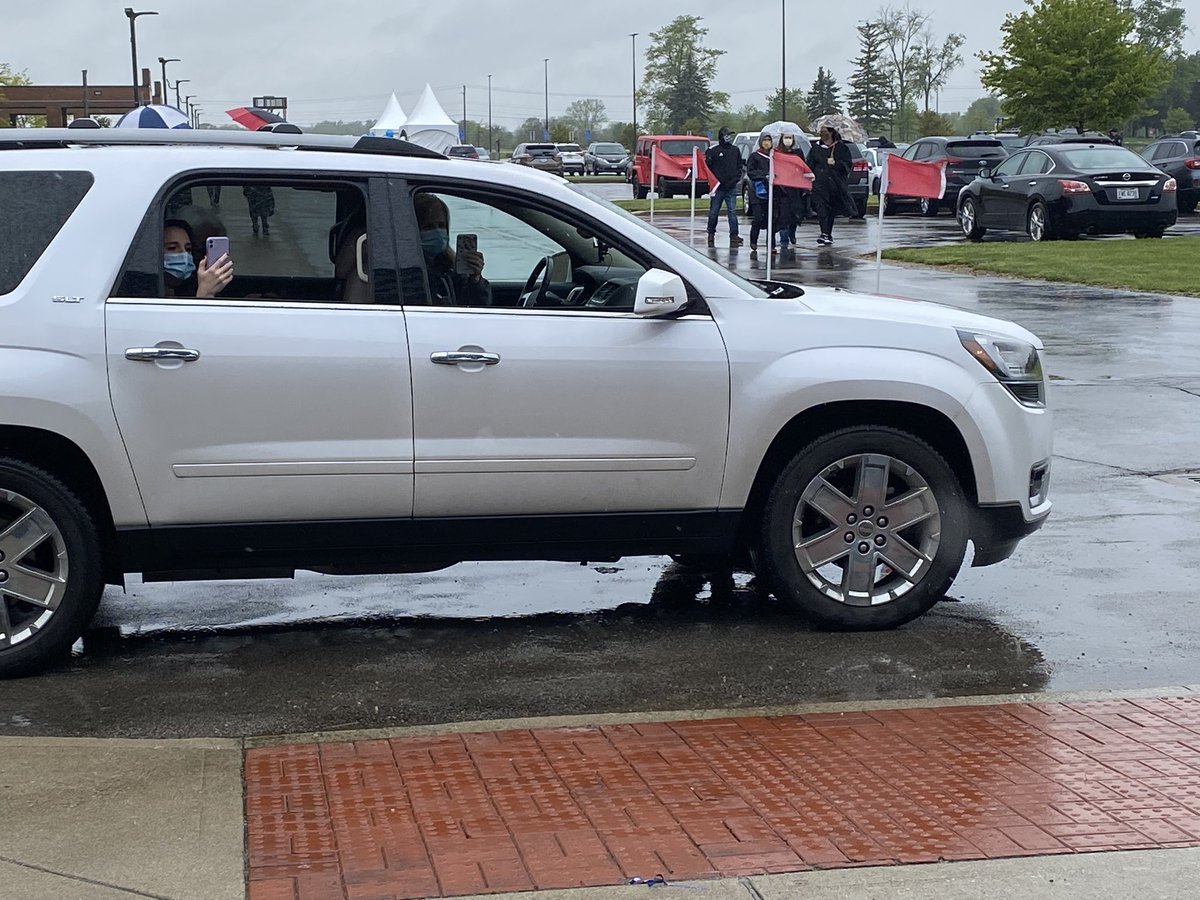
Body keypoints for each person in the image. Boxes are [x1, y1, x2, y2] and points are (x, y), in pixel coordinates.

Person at [414, 193, 491, 306]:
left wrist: (475, 280)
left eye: (441, 226)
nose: (438, 232)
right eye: (428, 227)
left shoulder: (448, 267)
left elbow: (476, 308)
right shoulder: (410, 273)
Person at [807, 125, 856, 247]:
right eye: (821, 132)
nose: (822, 134)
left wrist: (836, 164)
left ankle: (828, 233)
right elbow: (810, 165)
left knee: (831, 210)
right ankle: (824, 233)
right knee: (822, 208)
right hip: (819, 184)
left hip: (835, 185)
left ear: (832, 132)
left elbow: (847, 165)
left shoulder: (841, 148)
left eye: (825, 131)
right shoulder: (816, 148)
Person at [163, 218, 233, 298]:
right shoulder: (152, 291)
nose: (184, 254)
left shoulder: (192, 285)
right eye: (172, 248)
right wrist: (205, 293)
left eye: (188, 249)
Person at [704, 127, 744, 248]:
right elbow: (708, 167)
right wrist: (714, 181)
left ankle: (734, 235)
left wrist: (735, 179)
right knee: (714, 211)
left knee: (732, 211)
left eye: (730, 135)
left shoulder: (735, 150)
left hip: (731, 187)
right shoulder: (714, 151)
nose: (729, 138)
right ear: (721, 136)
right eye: (726, 135)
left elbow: (739, 166)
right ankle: (711, 233)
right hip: (718, 188)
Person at [775, 131, 808, 252]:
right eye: (786, 137)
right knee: (784, 216)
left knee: (795, 214)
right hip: (782, 189)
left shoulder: (797, 153)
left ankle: (792, 234)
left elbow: (803, 167)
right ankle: (784, 240)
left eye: (790, 137)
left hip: (795, 188)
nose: (788, 140)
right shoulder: (777, 153)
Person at [745, 134, 776, 257]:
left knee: (772, 219)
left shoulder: (774, 156)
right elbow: (750, 172)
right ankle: (754, 241)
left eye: (769, 140)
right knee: (758, 218)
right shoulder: (755, 156)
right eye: (765, 140)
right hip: (757, 192)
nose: (767, 142)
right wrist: (764, 175)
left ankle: (771, 244)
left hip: (772, 192)